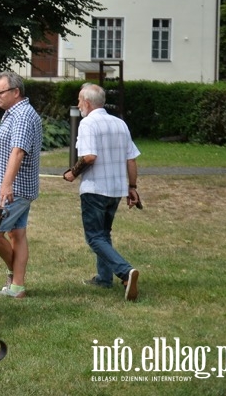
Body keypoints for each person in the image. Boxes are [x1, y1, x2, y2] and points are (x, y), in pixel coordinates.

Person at [63, 83, 142, 301]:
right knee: (104, 234)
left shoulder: (88, 123)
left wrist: (73, 173)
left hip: (95, 189)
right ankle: (103, 278)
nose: (78, 104)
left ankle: (125, 272)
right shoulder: (120, 124)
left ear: (87, 102)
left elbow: (89, 157)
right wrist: (132, 187)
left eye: (79, 100)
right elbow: (131, 158)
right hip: (116, 189)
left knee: (95, 237)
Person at [0, 71, 42, 299]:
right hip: (15, 187)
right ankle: (17, 287)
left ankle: (14, 275)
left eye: (0, 92)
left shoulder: (22, 116)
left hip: (14, 189)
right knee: (17, 235)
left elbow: (18, 152)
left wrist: (7, 184)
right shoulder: (14, 113)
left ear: (16, 92)